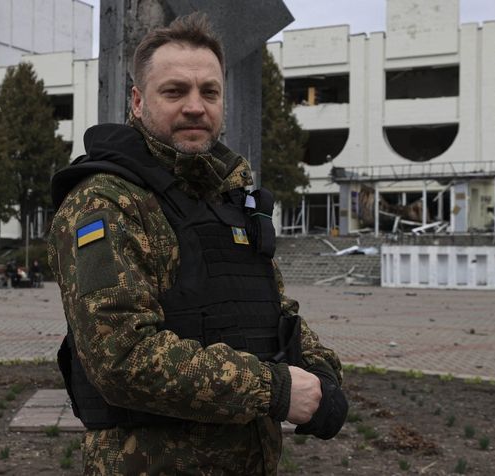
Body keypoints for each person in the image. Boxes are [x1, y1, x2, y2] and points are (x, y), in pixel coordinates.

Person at [48, 13, 347, 475]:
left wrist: (322, 373)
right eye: (174, 91)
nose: (195, 106)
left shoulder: (230, 201)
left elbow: (275, 314)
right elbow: (121, 358)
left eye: (209, 91)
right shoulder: (106, 203)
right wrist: (275, 389)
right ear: (137, 101)